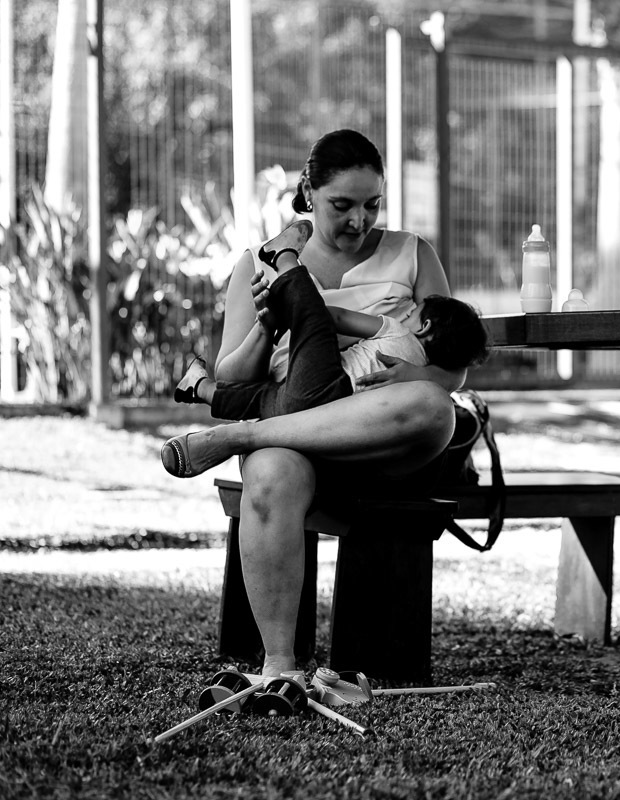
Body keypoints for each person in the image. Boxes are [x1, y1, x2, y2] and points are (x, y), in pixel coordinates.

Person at [161, 129, 469, 681]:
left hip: (383, 438)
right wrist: (265, 325)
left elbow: (454, 368)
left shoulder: (413, 253)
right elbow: (233, 373)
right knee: (271, 474)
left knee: (435, 408)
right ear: (310, 191)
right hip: (296, 432)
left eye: (372, 205)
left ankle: (243, 437)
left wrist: (408, 370)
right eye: (342, 206)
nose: (359, 221)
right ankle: (280, 668)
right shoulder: (255, 264)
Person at [168, 219, 488, 426]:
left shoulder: (399, 329)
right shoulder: (419, 374)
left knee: (314, 320)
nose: (359, 218)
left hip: (327, 385)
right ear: (310, 192)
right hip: (323, 413)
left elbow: (332, 317)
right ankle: (199, 387)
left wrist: (291, 315)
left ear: (426, 326)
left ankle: (283, 259)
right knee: (263, 401)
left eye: (416, 310)